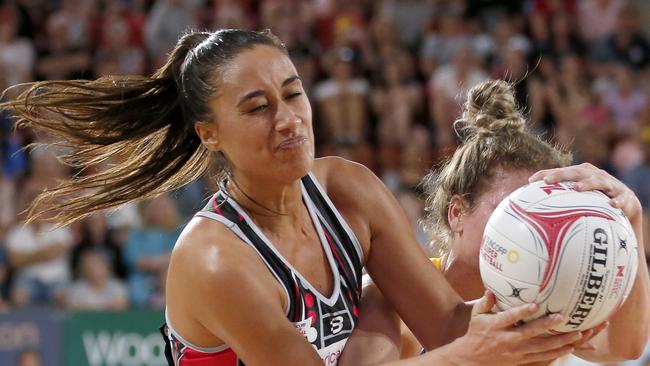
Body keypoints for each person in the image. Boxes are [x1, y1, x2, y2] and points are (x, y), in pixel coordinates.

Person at [2, 29, 587, 366]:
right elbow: (459, 354)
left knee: (377, 311)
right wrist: (471, 355)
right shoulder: (212, 258)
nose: (289, 121)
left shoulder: (349, 192)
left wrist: (566, 280)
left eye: (293, 94)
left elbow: (449, 329)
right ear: (210, 133)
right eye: (257, 108)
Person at [340, 80, 650, 365]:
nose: (531, 232)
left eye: (543, 216)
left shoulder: (543, 298)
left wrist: (629, 216)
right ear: (457, 213)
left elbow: (624, 348)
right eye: (511, 210)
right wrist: (466, 355)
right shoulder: (393, 293)